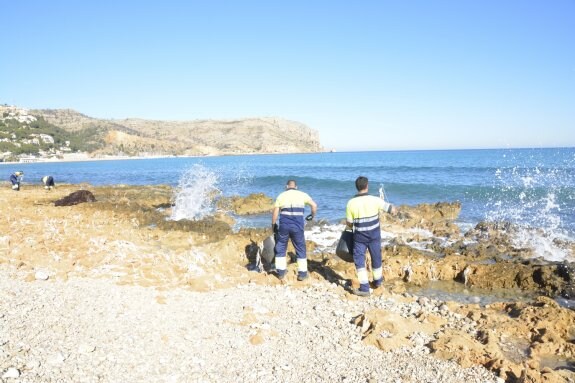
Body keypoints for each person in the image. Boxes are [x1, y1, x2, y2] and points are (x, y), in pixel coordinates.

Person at [346, 176, 397, 297]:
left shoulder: (351, 203)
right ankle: (377, 282)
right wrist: (395, 210)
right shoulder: (375, 200)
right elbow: (392, 209)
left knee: (359, 260)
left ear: (356, 187)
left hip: (359, 237)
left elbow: (349, 224)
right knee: (376, 258)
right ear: (367, 186)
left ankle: (364, 288)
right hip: (374, 235)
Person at [272, 179, 317, 281]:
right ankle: (302, 274)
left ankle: (281, 272)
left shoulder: (281, 195)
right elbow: (314, 205)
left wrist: (273, 224)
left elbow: (275, 212)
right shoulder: (302, 194)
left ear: (286, 186)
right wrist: (311, 216)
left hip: (284, 225)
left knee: (281, 247)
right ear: (296, 187)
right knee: (300, 248)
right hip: (297, 226)